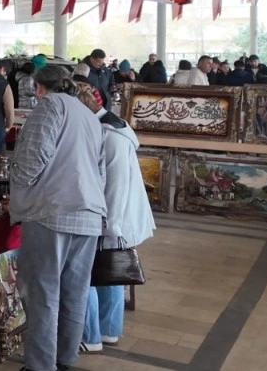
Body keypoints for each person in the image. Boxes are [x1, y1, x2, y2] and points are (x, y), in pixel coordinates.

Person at [7, 65, 106, 371]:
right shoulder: (89, 115)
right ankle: (64, 360)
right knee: (74, 292)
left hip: (52, 212)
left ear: (38, 88)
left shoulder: (48, 106)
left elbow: (31, 160)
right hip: (88, 211)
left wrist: (12, 179)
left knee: (42, 292)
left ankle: (39, 365)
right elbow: (100, 168)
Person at [73, 84, 155, 353]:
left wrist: (108, 226)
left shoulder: (112, 136)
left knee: (88, 275)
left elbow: (116, 186)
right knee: (108, 275)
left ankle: (91, 335)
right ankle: (108, 330)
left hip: (111, 219)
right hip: (111, 219)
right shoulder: (107, 128)